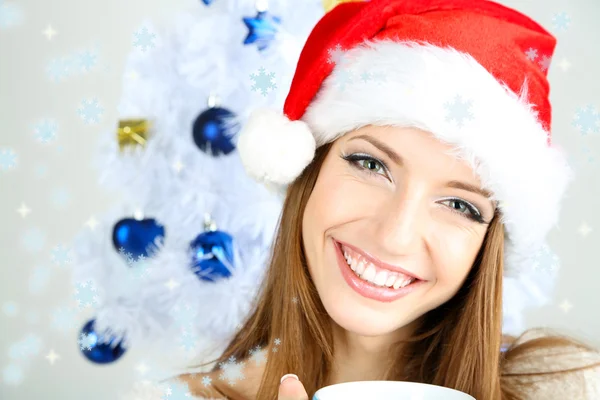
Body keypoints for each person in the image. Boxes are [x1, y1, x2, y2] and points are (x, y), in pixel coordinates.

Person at [175, 0, 600, 398]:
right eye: (370, 165)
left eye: (460, 205)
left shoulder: (572, 388)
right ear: (309, 168)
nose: (395, 237)